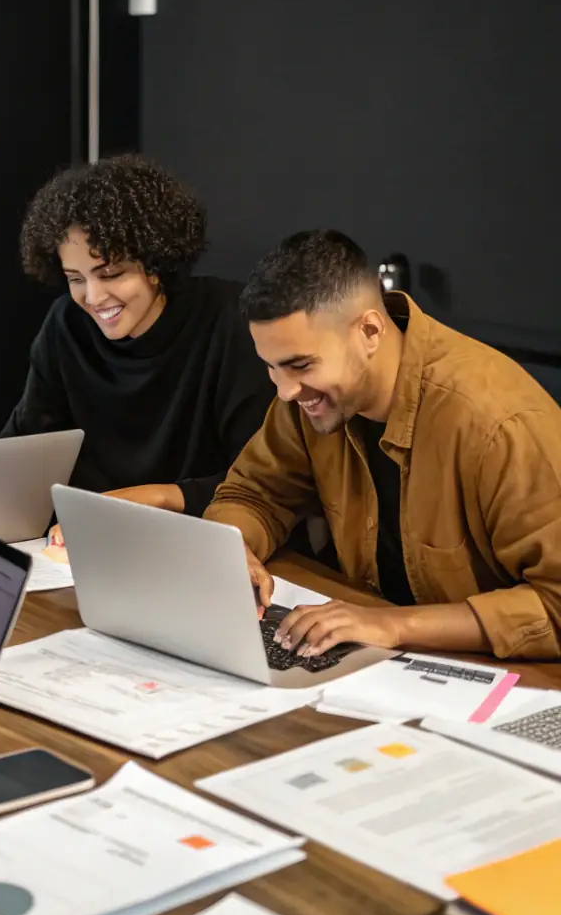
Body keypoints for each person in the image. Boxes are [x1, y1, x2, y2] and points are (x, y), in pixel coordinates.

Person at [205, 229, 561, 659]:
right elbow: (254, 493)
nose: (285, 391)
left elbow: (555, 604)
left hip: (494, 682)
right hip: (374, 662)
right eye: (271, 367)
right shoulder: (309, 400)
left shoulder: (497, 423)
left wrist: (392, 625)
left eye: (300, 365)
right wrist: (232, 548)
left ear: (369, 330)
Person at [3, 155, 273, 541]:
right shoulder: (66, 324)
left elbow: (265, 482)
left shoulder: (230, 323)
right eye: (75, 278)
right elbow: (24, 446)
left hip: (204, 539)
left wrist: (160, 497)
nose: (94, 297)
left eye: (111, 274)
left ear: (155, 262)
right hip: (91, 542)